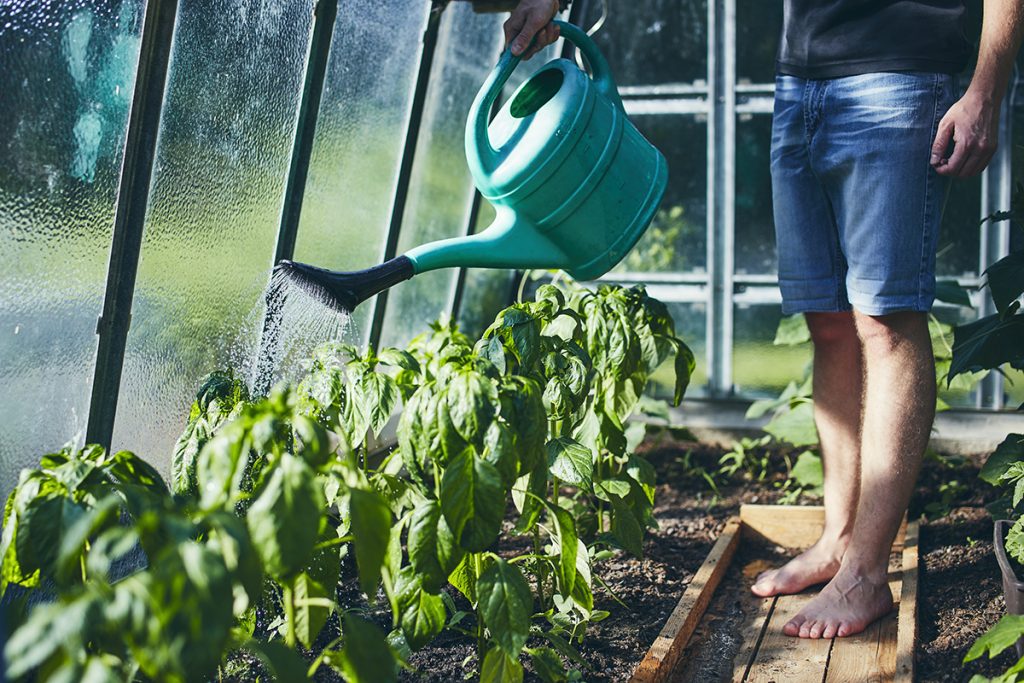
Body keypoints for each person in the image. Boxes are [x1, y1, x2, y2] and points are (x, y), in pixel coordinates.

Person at [506, 0, 1024, 639]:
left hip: (902, 72)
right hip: (801, 77)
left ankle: (865, 576)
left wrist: (986, 90)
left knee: (886, 322)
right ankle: (837, 539)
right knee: (828, 320)